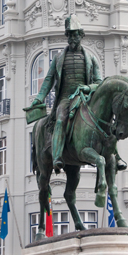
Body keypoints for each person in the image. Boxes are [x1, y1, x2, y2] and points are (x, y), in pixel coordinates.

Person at [25, 15, 106, 171]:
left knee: (104, 120)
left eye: (75, 34)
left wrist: (88, 88)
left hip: (84, 99)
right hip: (65, 99)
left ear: (81, 35)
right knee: (61, 120)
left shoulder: (91, 58)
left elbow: (99, 83)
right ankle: (57, 156)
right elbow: (48, 80)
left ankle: (113, 154)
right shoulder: (59, 58)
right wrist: (39, 98)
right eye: (69, 34)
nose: (72, 38)